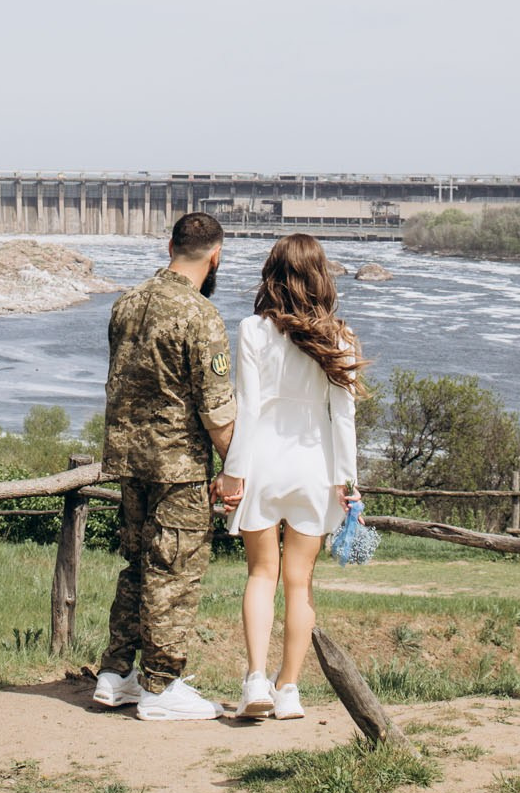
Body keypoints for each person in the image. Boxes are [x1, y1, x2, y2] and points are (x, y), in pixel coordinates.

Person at [91, 212, 238, 721]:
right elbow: (217, 412)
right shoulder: (200, 316)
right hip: (178, 467)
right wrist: (234, 467)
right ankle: (161, 687)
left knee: (136, 567)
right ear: (216, 255)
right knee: (174, 572)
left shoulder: (125, 304)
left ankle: (116, 675)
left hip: (129, 463)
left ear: (169, 245)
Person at [216, 233, 366, 721]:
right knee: (299, 584)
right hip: (314, 468)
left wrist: (232, 473)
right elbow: (343, 418)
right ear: (320, 275)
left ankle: (255, 679)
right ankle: (290, 689)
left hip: (262, 464)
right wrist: (348, 482)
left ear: (272, 274)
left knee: (262, 574)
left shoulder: (253, 330)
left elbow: (250, 409)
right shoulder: (338, 337)